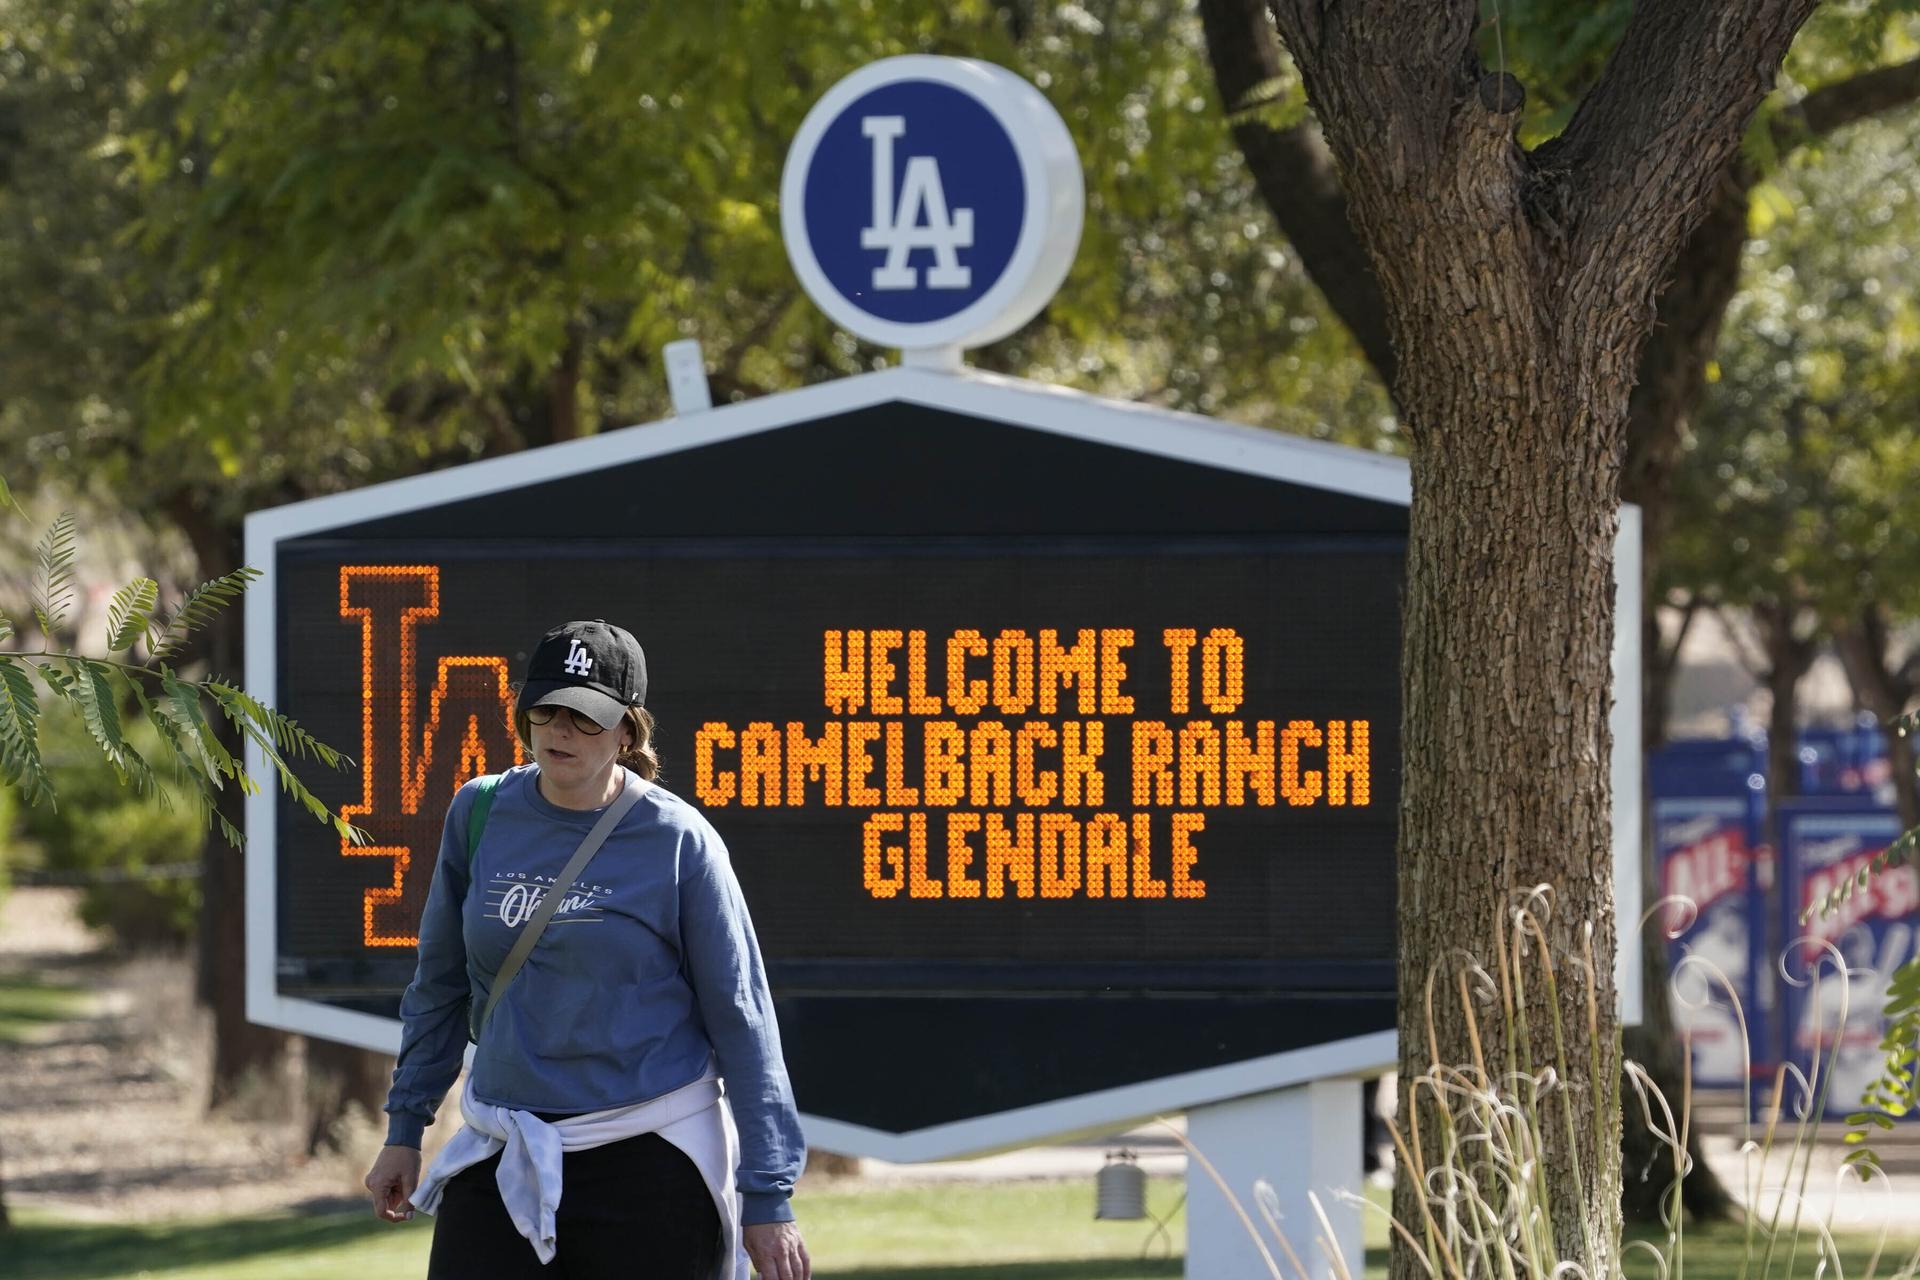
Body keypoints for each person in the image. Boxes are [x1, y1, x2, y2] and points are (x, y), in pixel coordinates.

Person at [363, 619, 811, 1280]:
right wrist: (405, 1130)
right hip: (501, 1141)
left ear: (628, 732)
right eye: (544, 709)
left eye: (585, 715)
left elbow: (743, 1021)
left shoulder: (679, 841)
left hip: (649, 1157)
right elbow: (439, 984)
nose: (559, 729)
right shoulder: (479, 812)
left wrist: (768, 1195)